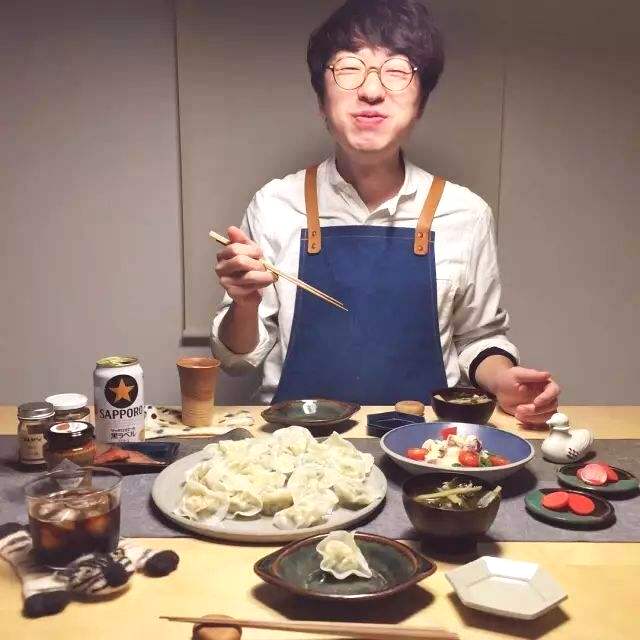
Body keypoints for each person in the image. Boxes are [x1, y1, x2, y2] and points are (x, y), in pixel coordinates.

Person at [210, 0, 560, 424]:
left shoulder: (465, 213)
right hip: (296, 441)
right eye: (349, 68)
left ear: (421, 102)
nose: (372, 90)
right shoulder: (275, 204)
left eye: (396, 70)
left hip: (427, 445)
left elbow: (478, 337)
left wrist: (503, 380)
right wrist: (244, 305)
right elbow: (237, 361)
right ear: (322, 100)